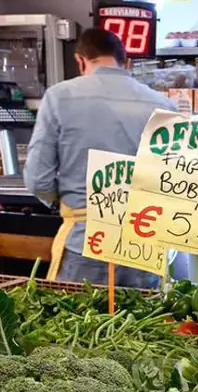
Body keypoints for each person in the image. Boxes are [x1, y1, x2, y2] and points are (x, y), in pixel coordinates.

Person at [24, 28, 175, 288]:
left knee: (80, 313)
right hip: (145, 243)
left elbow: (38, 179)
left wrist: (66, 202)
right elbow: (172, 177)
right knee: (144, 314)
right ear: (126, 62)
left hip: (86, 241)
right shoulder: (164, 104)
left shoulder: (59, 97)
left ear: (80, 60)